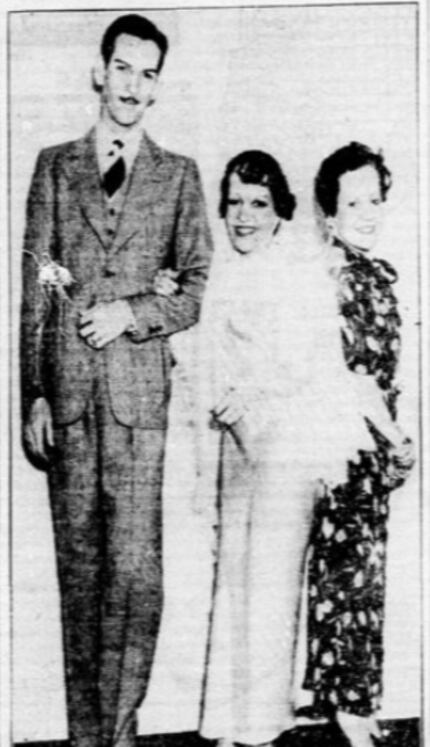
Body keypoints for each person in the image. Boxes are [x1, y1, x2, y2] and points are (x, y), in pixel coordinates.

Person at [155, 149, 404, 747]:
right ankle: (227, 725)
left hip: (285, 444)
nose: (244, 216)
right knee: (232, 580)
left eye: (258, 205)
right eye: (235, 203)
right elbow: (197, 351)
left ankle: (262, 725)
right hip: (233, 442)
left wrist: (250, 392)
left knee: (269, 585)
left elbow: (313, 361)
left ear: (280, 210)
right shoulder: (221, 270)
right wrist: (171, 295)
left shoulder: (296, 269)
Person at [20, 13, 212, 747]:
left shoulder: (179, 177)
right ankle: (83, 735)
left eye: (148, 72)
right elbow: (37, 287)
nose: (134, 84)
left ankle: (123, 729)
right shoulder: (54, 167)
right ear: (100, 73)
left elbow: (192, 289)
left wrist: (131, 311)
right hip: (67, 405)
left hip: (139, 408)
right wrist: (33, 393)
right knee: (81, 575)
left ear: (158, 87)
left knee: (135, 577)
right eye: (123, 68)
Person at [303, 142, 415, 747]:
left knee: (360, 575)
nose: (368, 212)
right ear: (329, 213)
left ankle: (355, 704)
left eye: (375, 198)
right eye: (354, 202)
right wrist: (398, 440)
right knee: (348, 577)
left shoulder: (370, 272)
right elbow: (355, 378)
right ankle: (349, 710)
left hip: (368, 449)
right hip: (345, 444)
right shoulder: (340, 275)